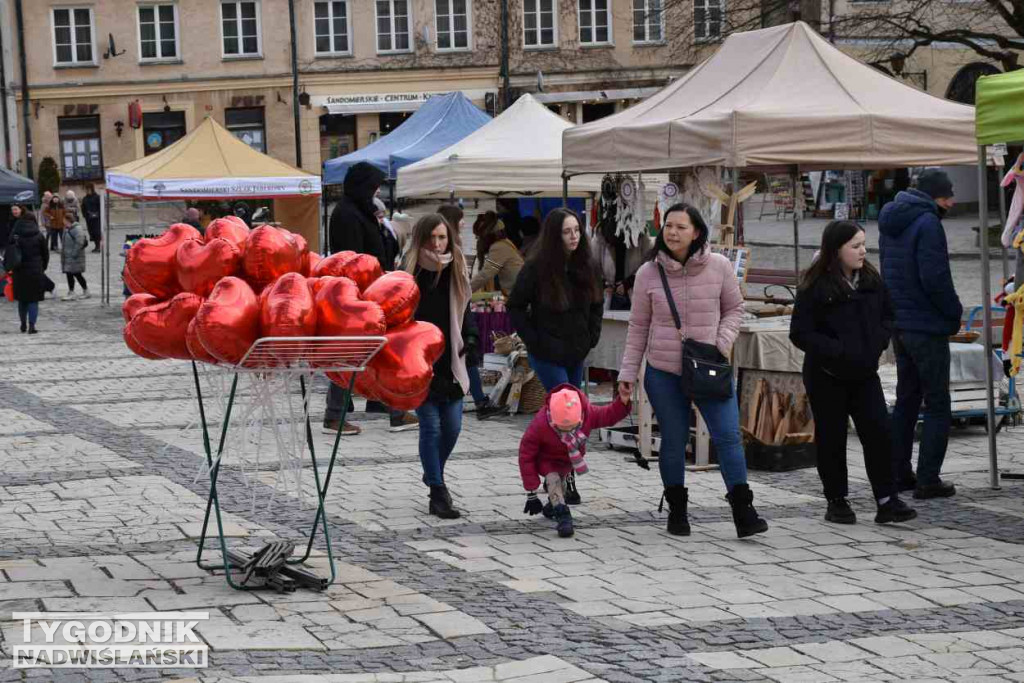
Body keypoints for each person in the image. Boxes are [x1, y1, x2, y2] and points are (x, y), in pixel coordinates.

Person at [618, 203, 768, 539]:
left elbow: (734, 309)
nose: (671, 232)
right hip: (664, 370)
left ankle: (744, 512)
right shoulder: (648, 273)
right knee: (672, 439)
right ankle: (677, 512)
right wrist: (627, 374)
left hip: (710, 368)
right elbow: (638, 326)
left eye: (680, 227)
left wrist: (720, 343)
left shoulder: (719, 266)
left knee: (728, 436)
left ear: (697, 231)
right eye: (668, 226)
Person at [790, 221, 917, 525]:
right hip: (827, 374)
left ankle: (887, 500)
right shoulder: (815, 285)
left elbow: (888, 315)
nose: (863, 251)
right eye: (855, 245)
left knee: (878, 432)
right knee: (832, 438)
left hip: (864, 373)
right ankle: (837, 500)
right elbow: (800, 333)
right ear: (837, 250)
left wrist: (877, 341)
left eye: (863, 244)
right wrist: (835, 349)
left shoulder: (872, 279)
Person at [508, 208, 603, 506]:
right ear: (554, 235)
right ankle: (556, 480)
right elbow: (515, 307)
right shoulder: (536, 267)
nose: (574, 236)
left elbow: (597, 303)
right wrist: (535, 342)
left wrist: (591, 336)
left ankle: (565, 472)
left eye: (576, 230)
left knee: (574, 415)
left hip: (576, 349)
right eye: (566, 231)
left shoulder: (586, 263)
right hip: (548, 351)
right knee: (563, 413)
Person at [879, 169, 962, 500]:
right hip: (926, 325)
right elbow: (935, 277)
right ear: (934, 197)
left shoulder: (892, 220)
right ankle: (928, 479)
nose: (952, 202)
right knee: (938, 401)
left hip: (900, 324)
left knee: (907, 400)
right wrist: (954, 312)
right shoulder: (928, 223)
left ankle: (899, 473)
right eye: (947, 197)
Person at [324, 161, 416, 435]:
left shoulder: (363, 211)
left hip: (377, 292)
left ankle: (386, 407)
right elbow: (354, 259)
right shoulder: (347, 214)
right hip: (361, 297)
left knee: (379, 351)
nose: (377, 192)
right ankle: (335, 416)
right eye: (373, 187)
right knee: (352, 354)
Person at [403, 214, 474, 519]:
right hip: (420, 359)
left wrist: (471, 336)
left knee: (454, 427)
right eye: (431, 237)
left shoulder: (456, 265)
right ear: (421, 238)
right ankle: (438, 491)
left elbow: (465, 305)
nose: (437, 243)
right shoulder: (408, 269)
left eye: (442, 237)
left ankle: (433, 472)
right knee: (431, 427)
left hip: (451, 356)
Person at [520, 385, 630, 537]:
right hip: (547, 459)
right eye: (561, 428)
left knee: (561, 485)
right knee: (553, 480)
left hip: (568, 460)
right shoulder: (540, 423)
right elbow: (526, 455)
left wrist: (623, 401)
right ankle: (563, 516)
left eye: (572, 428)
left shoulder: (588, 413)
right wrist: (531, 491)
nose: (567, 432)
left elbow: (608, 414)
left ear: (580, 417)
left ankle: (553, 506)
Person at [439, 206, 506, 420]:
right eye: (460, 219)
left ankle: (478, 401)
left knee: (468, 356)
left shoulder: (455, 245)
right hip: (455, 308)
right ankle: (477, 401)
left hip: (459, 306)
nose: (464, 223)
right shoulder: (450, 247)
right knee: (466, 356)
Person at [6, 208, 49, 333]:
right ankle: (32, 326)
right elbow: (45, 254)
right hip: (35, 270)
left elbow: (10, 251)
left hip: (19, 271)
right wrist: (43, 267)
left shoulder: (16, 235)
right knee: (33, 300)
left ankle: (23, 324)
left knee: (22, 299)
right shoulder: (39, 235)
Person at [471, 212, 524, 296]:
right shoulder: (506, 242)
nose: (477, 239)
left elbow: (485, 274)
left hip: (514, 293)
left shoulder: (499, 247)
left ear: (489, 235)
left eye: (479, 236)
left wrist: (465, 290)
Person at [60, 218, 89, 301]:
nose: (63, 222)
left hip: (74, 257)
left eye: (64, 220)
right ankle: (72, 292)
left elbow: (79, 243)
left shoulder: (77, 229)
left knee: (77, 274)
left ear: (68, 220)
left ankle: (85, 291)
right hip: (68, 256)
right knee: (70, 274)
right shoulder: (67, 229)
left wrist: (74, 254)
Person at [82, 184, 102, 252]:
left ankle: (98, 246)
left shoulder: (97, 197)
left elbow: (100, 207)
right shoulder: (85, 198)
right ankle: (96, 246)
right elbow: (83, 207)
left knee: (97, 232)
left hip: (96, 219)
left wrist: (98, 214)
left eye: (88, 189)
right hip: (89, 218)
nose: (87, 191)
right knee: (91, 233)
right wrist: (85, 215)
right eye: (86, 190)